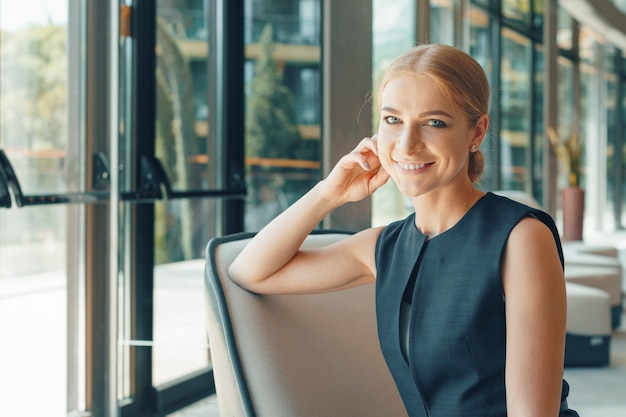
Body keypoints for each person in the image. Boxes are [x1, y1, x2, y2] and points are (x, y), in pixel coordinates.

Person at [229, 43, 578, 416]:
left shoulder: (520, 237)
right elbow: (250, 272)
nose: (407, 145)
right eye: (393, 120)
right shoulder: (386, 247)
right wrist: (329, 193)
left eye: (434, 122)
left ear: (477, 131)